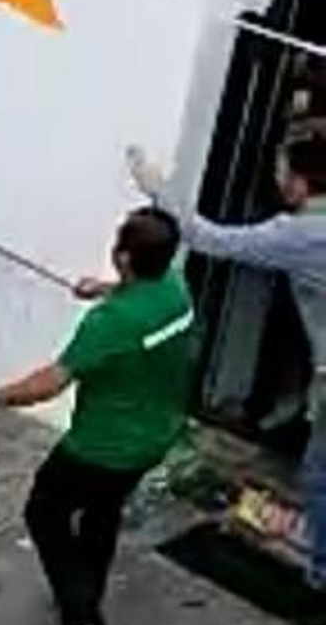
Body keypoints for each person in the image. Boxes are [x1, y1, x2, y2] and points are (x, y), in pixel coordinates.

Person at [0, 205, 198, 625]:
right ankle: (85, 590)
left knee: (44, 512)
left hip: (102, 447)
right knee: (101, 513)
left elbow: (51, 382)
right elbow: (139, 305)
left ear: (124, 257)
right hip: (157, 436)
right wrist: (104, 290)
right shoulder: (176, 289)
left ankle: (82, 621)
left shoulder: (110, 324)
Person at [131, 132, 326, 597]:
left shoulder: (298, 233)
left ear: (299, 183)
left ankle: (321, 576)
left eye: (281, 171)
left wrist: (157, 187)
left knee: (318, 474)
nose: (276, 179)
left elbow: (204, 237)